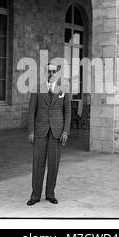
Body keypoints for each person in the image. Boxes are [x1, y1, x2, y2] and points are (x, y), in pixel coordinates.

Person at [26, 63, 71, 206]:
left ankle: (50, 194)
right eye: (49, 71)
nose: (51, 74)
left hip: (56, 132)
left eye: (54, 71)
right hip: (40, 131)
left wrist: (65, 131)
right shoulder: (37, 88)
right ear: (45, 72)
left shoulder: (63, 88)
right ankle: (35, 196)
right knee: (38, 163)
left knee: (53, 164)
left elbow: (68, 112)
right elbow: (31, 111)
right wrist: (31, 131)